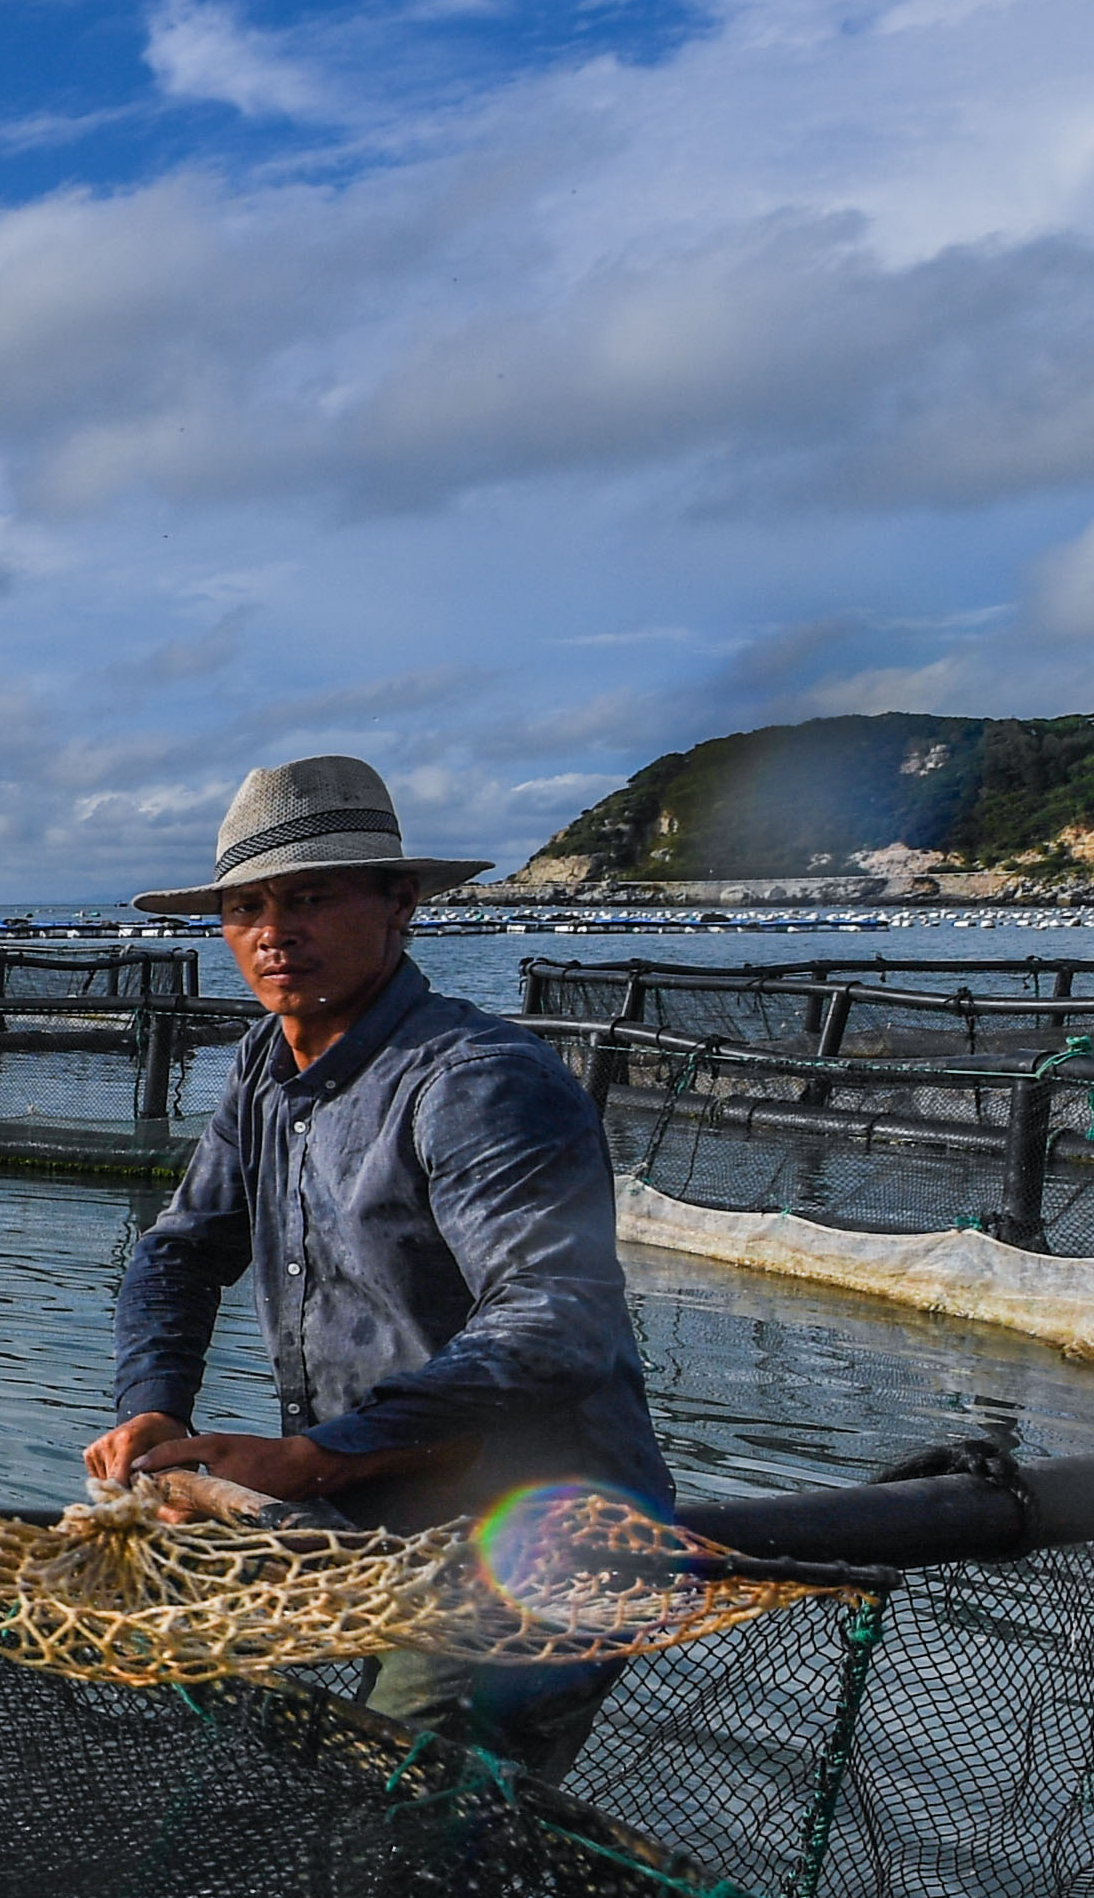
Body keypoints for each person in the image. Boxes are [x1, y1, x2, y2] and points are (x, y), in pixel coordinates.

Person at [88, 754, 667, 1774]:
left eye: (310, 897)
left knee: (388, 1828)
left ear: (400, 902)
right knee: (339, 1811)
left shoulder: (475, 1082)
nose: (273, 932)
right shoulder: (265, 1067)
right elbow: (178, 1253)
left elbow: (550, 1321)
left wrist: (315, 1455)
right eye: (245, 906)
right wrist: (155, 1403)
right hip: (376, 1525)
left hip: (532, 1538)